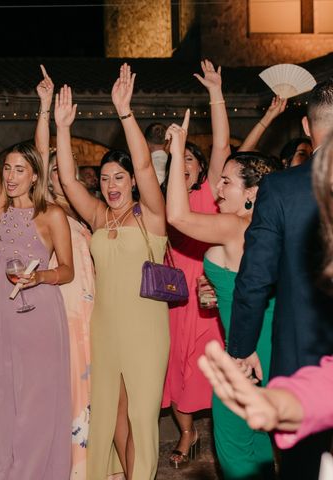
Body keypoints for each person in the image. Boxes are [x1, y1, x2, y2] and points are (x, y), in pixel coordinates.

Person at [0, 66, 74, 479]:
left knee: (37, 397)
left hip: (40, 314)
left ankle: (32, 469)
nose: (9, 176)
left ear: (36, 174)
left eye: (19, 169)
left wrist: (40, 277)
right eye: (8, 169)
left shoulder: (51, 214)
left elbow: (68, 271)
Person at [55, 66, 168, 480]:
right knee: (109, 412)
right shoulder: (100, 217)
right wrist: (62, 128)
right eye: (104, 179)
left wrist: (125, 113)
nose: (111, 184)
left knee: (141, 414)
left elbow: (144, 165)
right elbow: (68, 180)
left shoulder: (151, 215)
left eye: (119, 177)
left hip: (146, 329)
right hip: (105, 326)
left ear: (132, 182)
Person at [228, 79, 333, 480]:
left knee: (302, 469)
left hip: (301, 355)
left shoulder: (282, 188)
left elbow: (255, 277)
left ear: (306, 128)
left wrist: (241, 346)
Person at [167, 107, 280, 478]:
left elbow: (178, 218)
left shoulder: (235, 226)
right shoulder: (269, 229)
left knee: (234, 454)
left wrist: (177, 149)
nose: (218, 186)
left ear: (251, 193)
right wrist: (221, 292)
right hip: (269, 349)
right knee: (261, 444)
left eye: (227, 181)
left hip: (240, 356)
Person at [160, 59, 227, 469]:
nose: (183, 166)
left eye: (189, 161)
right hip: (175, 300)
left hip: (209, 296)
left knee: (211, 370)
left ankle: (224, 432)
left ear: (201, 171)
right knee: (177, 372)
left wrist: (216, 94)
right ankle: (187, 431)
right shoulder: (164, 201)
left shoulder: (207, 199)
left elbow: (221, 145)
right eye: (176, 162)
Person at [35, 65, 96, 479]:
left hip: (90, 313)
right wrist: (45, 110)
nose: (57, 174)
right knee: (62, 388)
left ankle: (91, 464)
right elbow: (41, 156)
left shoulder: (88, 212)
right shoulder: (44, 213)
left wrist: (63, 133)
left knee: (89, 391)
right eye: (52, 171)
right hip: (58, 310)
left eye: (64, 170)